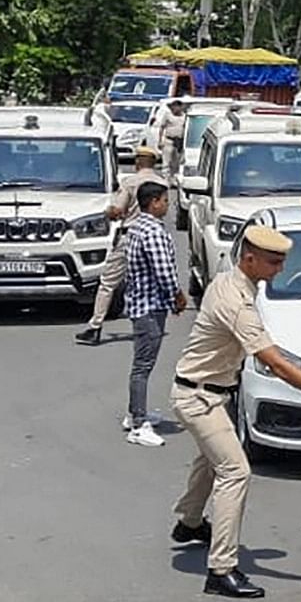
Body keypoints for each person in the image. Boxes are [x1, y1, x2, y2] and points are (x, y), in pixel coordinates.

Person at [169, 225, 301, 599]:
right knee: (235, 470)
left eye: (283, 261)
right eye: (273, 261)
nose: (280, 269)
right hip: (198, 396)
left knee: (211, 459)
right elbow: (274, 362)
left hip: (209, 392)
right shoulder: (237, 302)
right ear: (249, 259)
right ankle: (221, 569)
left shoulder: (229, 281)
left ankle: (188, 523)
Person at [76, 146, 168, 345]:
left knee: (108, 282)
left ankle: (95, 327)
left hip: (130, 236)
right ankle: (152, 323)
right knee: (150, 281)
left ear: (138, 162)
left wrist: (109, 212)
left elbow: (117, 210)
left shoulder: (130, 182)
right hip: (154, 234)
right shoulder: (162, 183)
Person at [122, 180, 187, 447]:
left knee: (141, 363)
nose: (167, 206)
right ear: (153, 202)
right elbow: (165, 272)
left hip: (140, 303)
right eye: (164, 201)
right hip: (150, 307)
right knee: (143, 366)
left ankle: (135, 412)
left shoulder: (136, 227)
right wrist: (177, 296)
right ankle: (138, 423)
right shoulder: (154, 233)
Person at [158, 98, 189, 175]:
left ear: (180, 107)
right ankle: (165, 176)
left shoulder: (185, 117)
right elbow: (162, 128)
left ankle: (174, 176)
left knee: (177, 161)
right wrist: (160, 141)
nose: (173, 109)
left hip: (179, 141)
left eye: (175, 107)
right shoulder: (167, 115)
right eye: (172, 107)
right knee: (166, 160)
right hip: (169, 140)